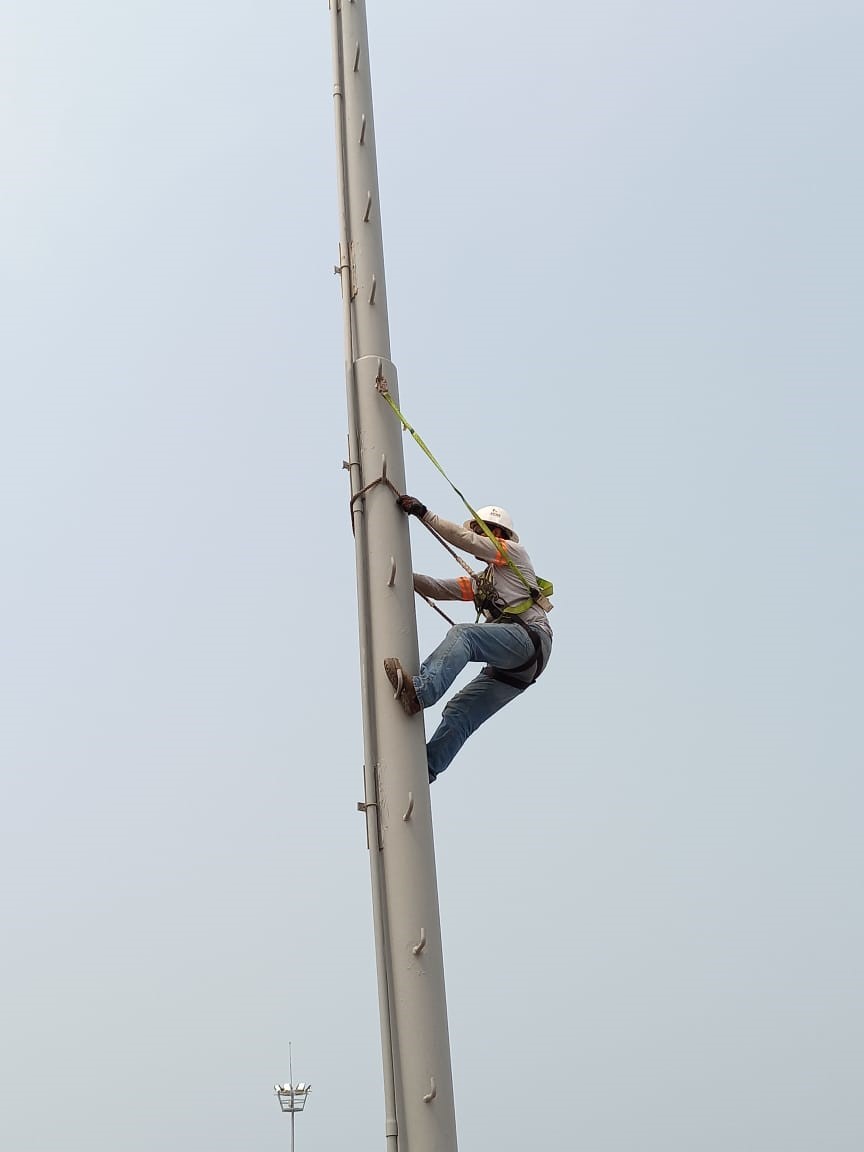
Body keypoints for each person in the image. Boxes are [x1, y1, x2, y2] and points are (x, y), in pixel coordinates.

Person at [384, 496, 553, 782]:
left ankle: (421, 692)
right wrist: (400, 576)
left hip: (530, 640)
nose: (475, 534)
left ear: (496, 533)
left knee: (464, 635)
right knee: (461, 710)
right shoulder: (484, 582)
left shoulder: (512, 553)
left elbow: (465, 541)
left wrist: (425, 514)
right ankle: (426, 768)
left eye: (480, 529)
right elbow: (438, 589)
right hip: (517, 670)